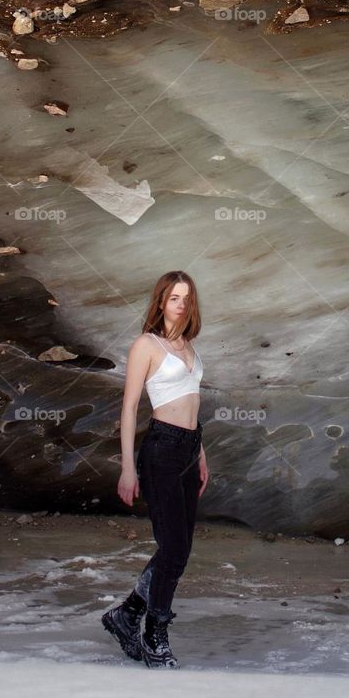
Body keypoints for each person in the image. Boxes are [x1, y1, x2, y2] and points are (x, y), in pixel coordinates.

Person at [101, 271, 209, 669]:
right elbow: (129, 408)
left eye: (186, 297)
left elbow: (193, 403)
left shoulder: (190, 347)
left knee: (178, 550)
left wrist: (201, 454)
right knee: (174, 548)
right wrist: (128, 468)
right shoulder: (147, 344)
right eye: (174, 297)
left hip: (188, 449)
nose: (180, 303)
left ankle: (126, 614)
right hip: (161, 450)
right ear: (161, 302)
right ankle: (154, 634)